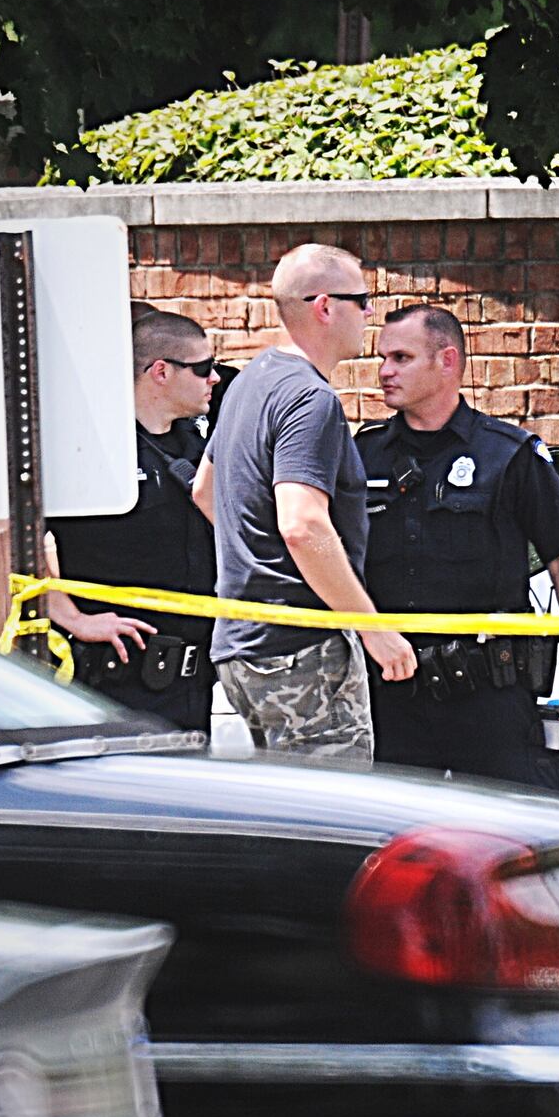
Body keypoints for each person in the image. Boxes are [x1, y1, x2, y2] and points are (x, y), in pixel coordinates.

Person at [355, 303, 559, 790]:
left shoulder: (507, 454)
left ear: (447, 361)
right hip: (390, 691)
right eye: (382, 358)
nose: (384, 371)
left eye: (401, 358)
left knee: (506, 838)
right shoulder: (363, 454)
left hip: (487, 691)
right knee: (396, 842)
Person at [191, 243, 415, 760]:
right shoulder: (310, 399)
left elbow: (207, 490)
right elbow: (302, 524)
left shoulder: (249, 382)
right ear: (324, 306)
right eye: (362, 300)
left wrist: (257, 559)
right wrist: (374, 630)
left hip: (243, 646)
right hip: (301, 649)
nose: (368, 315)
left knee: (287, 818)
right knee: (332, 825)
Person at [44, 309, 218, 731]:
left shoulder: (196, 445)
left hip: (193, 685)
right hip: (112, 682)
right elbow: (1, 535)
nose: (214, 378)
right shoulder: (89, 451)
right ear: (161, 372)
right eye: (203, 369)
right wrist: (71, 618)